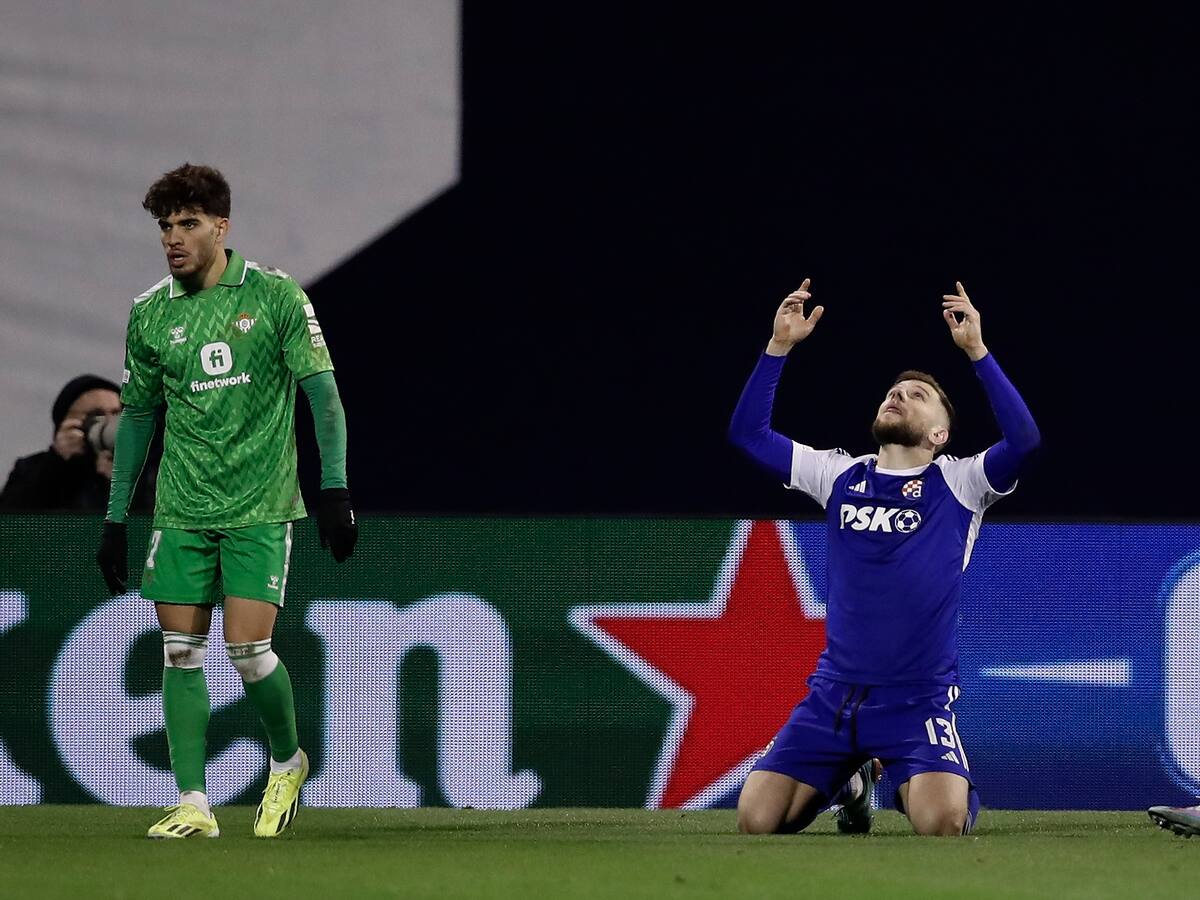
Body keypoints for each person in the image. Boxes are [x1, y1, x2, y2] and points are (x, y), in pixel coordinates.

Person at [95, 163, 358, 839]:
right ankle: (194, 803)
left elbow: (323, 396)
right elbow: (139, 418)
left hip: (260, 505)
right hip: (182, 508)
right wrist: (116, 517)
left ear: (221, 227)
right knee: (180, 653)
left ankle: (287, 761)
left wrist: (333, 488)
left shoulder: (273, 296)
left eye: (188, 224)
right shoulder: (151, 313)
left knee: (248, 651)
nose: (173, 238)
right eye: (165, 226)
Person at [728, 278, 1039, 836]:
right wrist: (779, 346)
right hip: (834, 697)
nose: (898, 396)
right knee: (757, 819)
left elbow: (1023, 441)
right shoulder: (839, 475)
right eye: (894, 392)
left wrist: (977, 351)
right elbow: (749, 435)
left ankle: (904, 777)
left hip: (916, 702)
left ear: (940, 433)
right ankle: (851, 784)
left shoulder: (960, 483)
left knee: (941, 824)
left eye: (917, 395)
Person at [0, 375, 155, 511]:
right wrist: (56, 465)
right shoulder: (31, 469)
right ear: (65, 422)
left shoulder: (146, 470)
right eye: (96, 415)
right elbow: (13, 520)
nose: (110, 423)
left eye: (116, 413)